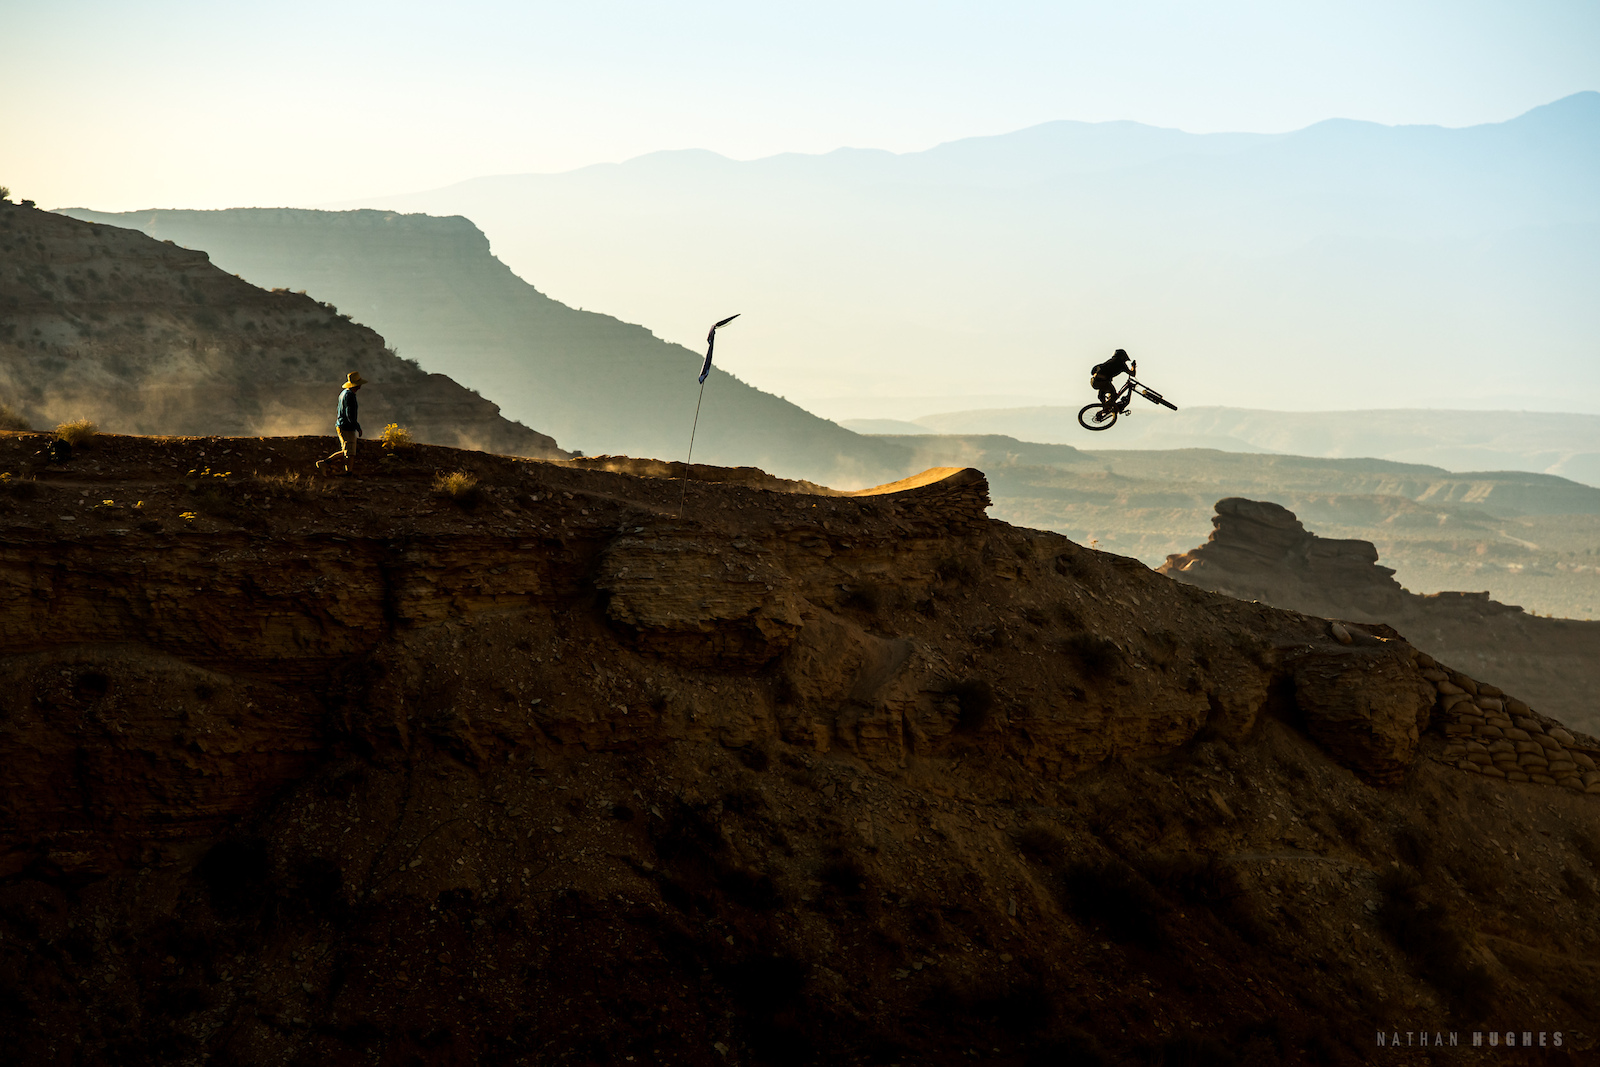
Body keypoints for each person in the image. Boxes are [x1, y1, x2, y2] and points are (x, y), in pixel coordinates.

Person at [317, 372, 365, 472]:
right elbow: (350, 414)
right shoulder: (350, 396)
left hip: (342, 424)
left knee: (347, 451)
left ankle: (328, 464)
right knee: (350, 452)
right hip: (347, 426)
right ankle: (346, 472)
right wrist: (357, 427)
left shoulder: (344, 393)